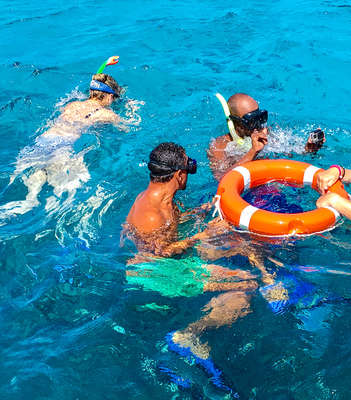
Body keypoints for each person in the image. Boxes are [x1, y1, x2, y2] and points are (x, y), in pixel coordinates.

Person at [124, 142, 271, 395]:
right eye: (189, 167)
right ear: (179, 174)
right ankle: (189, 334)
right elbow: (161, 252)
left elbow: (175, 226)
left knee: (236, 244)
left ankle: (200, 325)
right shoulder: (151, 213)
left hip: (171, 262)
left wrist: (204, 211)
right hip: (156, 271)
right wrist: (201, 235)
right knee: (247, 285)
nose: (190, 173)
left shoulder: (163, 199)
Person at [0, 56, 141, 219]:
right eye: (114, 97)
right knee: (60, 193)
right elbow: (128, 128)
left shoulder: (71, 105)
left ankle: (16, 207)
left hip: (42, 141)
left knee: (34, 178)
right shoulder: (105, 114)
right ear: (109, 96)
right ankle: (24, 207)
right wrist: (132, 108)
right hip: (62, 147)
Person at [207, 92, 325, 179]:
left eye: (261, 118)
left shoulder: (266, 133)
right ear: (236, 123)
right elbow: (221, 179)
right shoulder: (219, 146)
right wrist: (253, 152)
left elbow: (289, 153)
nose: (259, 125)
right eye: (252, 121)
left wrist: (309, 149)